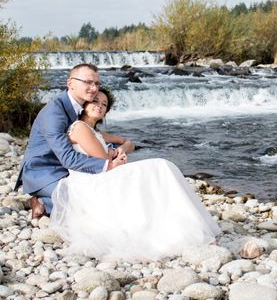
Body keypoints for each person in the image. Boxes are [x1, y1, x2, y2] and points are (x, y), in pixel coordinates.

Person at [50, 87, 220, 261]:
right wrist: (115, 157)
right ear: (84, 104)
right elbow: (102, 160)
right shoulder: (80, 128)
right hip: (93, 182)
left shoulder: (95, 132)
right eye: (95, 101)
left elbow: (126, 143)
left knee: (162, 168)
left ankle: (181, 226)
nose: (100, 106)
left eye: (104, 104)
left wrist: (120, 151)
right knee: (160, 166)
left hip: (102, 174)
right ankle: (185, 230)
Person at [16, 63, 127, 219]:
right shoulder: (54, 112)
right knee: (80, 204)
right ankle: (41, 200)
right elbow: (68, 157)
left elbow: (90, 137)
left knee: (105, 191)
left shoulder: (82, 107)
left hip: (66, 166)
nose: (94, 88)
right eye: (88, 82)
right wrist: (108, 165)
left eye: (96, 83)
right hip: (43, 169)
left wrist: (113, 150)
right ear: (70, 84)